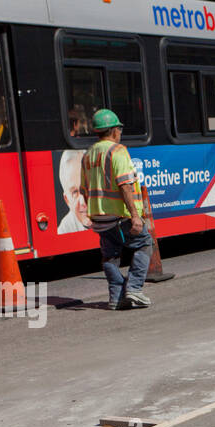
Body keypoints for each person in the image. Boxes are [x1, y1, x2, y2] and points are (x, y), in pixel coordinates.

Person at [79, 108, 151, 309]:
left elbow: (84, 190)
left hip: (100, 219)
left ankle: (116, 298)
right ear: (113, 131)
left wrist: (93, 214)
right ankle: (135, 289)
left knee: (110, 256)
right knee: (144, 244)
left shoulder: (88, 155)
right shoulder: (117, 151)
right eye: (119, 129)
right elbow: (124, 185)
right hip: (121, 217)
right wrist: (135, 216)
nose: (120, 132)